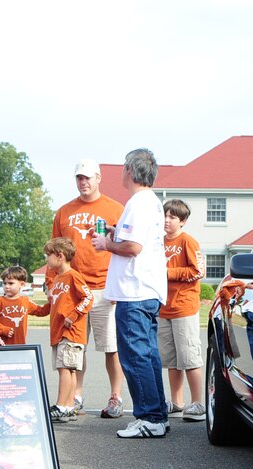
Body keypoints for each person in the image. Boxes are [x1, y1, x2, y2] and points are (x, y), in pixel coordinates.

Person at [92, 148, 168, 438]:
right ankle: (157, 414)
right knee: (147, 355)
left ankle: (149, 417)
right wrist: (114, 231)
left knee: (135, 355)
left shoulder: (138, 203)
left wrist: (105, 244)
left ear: (131, 172)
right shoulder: (150, 202)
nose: (121, 170)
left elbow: (133, 248)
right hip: (146, 290)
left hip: (134, 292)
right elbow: (137, 240)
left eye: (124, 166)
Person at [47, 158, 126, 418]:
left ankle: (115, 396)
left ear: (98, 178)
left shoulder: (115, 209)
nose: (83, 182)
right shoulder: (65, 211)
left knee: (111, 347)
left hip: (105, 287)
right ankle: (75, 396)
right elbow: (55, 250)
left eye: (87, 177)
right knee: (75, 346)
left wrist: (119, 287)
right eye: (79, 178)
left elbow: (125, 250)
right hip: (73, 290)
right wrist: (51, 283)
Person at [159, 199, 206, 421]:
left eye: (172, 217)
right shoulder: (157, 242)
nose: (167, 220)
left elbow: (198, 272)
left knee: (189, 356)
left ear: (183, 221)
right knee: (171, 359)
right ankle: (177, 402)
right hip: (163, 308)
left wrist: (169, 273)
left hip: (184, 307)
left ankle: (197, 402)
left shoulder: (188, 241)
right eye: (165, 215)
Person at [43, 237, 94, 423]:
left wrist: (73, 316)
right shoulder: (56, 279)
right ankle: (69, 407)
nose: (46, 260)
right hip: (58, 332)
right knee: (68, 370)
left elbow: (88, 298)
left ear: (60, 256)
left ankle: (61, 405)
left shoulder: (73, 276)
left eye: (48, 256)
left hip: (71, 333)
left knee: (65, 368)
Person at [0, 265, 49, 345]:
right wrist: (3, 329)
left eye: (11, 283)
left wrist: (54, 302)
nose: (6, 286)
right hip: (2, 346)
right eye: (4, 283)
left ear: (22, 284)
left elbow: (41, 311)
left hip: (20, 345)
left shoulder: (25, 301)